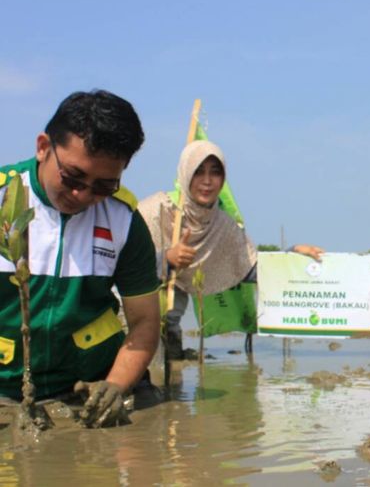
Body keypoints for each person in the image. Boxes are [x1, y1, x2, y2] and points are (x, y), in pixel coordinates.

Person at [0, 90, 160, 427]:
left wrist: (115, 386)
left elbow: (145, 322)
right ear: (43, 147)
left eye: (103, 186)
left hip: (87, 383)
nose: (82, 195)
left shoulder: (124, 221)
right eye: (72, 177)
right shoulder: (4, 198)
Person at [138, 140, 323, 360]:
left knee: (170, 381)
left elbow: (250, 267)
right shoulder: (156, 210)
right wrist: (167, 259)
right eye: (198, 172)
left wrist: (292, 256)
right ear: (185, 174)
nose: (207, 181)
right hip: (134, 327)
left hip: (170, 330)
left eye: (215, 173)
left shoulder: (223, 225)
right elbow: (121, 266)